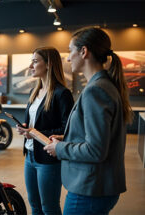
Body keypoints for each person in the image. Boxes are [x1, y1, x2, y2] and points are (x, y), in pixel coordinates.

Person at [44, 27, 133, 215]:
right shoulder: (104, 85)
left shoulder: (96, 90)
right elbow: (98, 137)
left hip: (90, 189)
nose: (68, 58)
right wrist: (67, 137)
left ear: (84, 52)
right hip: (97, 187)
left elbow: (95, 150)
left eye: (70, 51)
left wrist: (59, 148)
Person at [16, 47, 74, 215]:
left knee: (48, 206)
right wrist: (26, 128)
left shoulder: (62, 94)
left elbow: (68, 129)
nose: (30, 66)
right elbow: (35, 123)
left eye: (35, 61)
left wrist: (34, 132)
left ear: (48, 64)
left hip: (48, 159)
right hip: (30, 155)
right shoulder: (35, 92)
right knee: (34, 204)